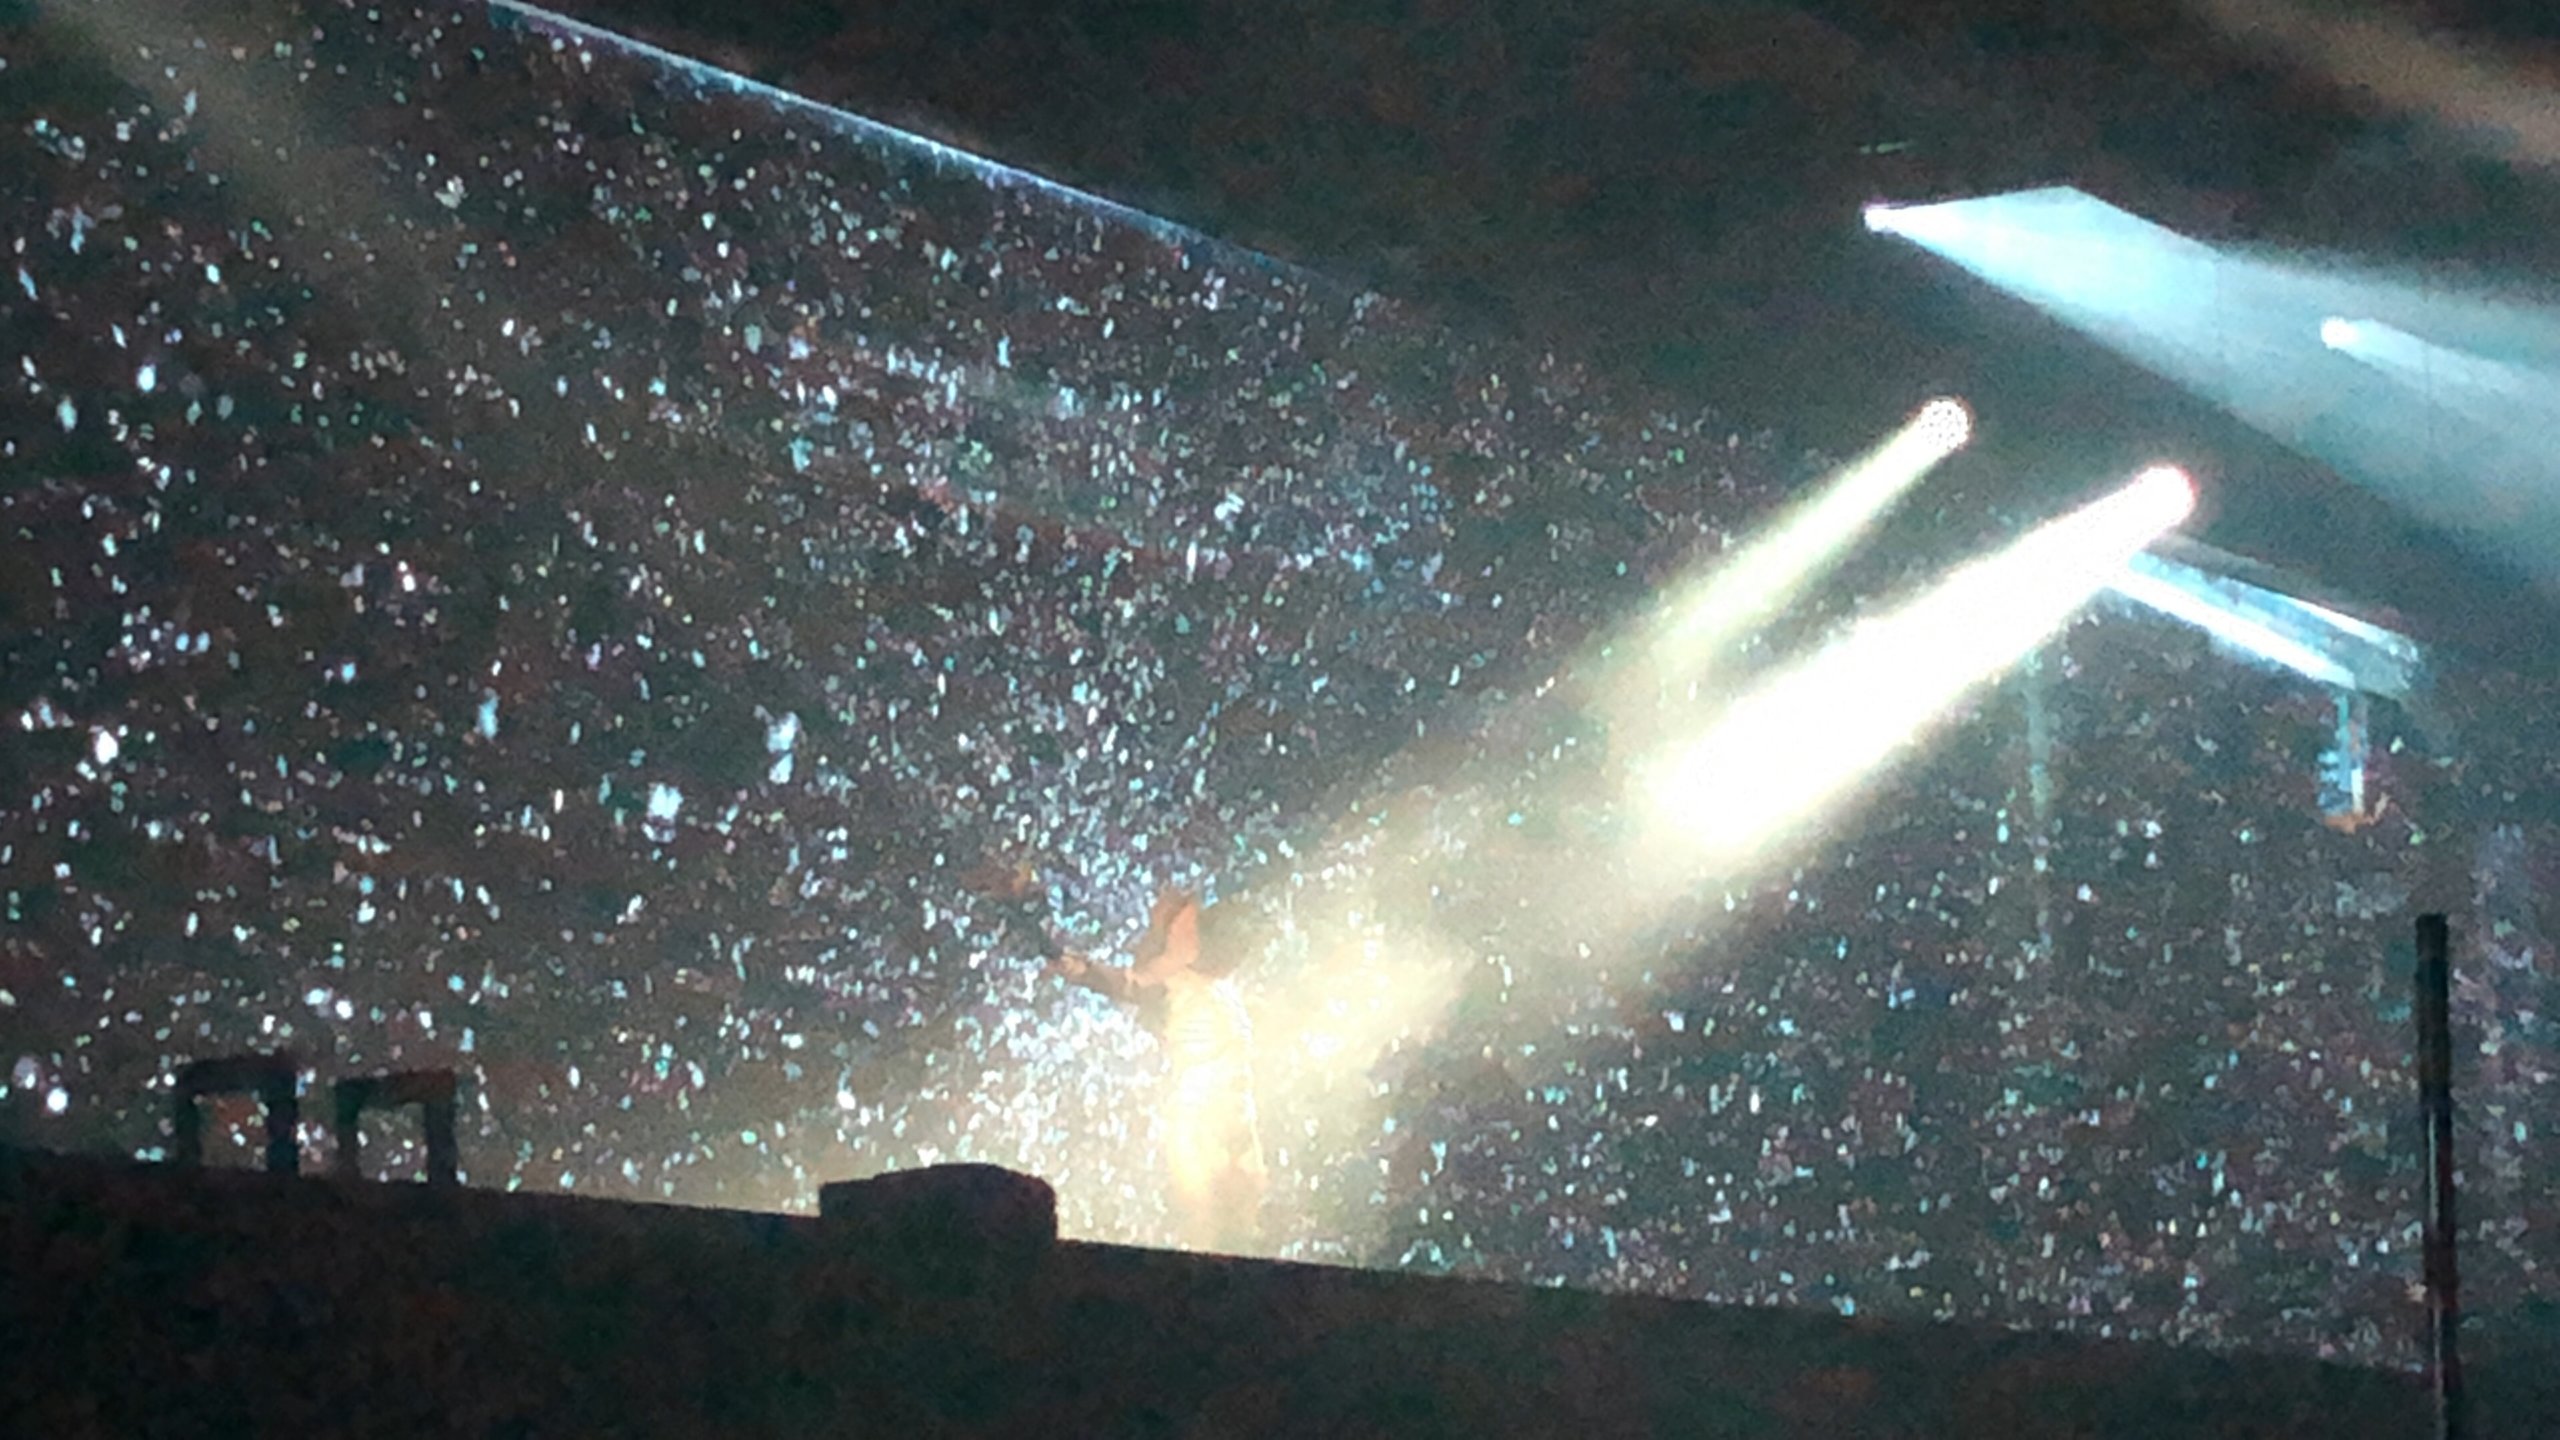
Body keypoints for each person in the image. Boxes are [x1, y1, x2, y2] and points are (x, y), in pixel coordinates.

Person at [1051, 886, 1269, 1254]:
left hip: (1234, 1114)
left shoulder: (1217, 989)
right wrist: (1082, 970)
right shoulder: (1173, 985)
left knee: (1244, 1214)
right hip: (1202, 1118)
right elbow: (1127, 984)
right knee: (1208, 1222)